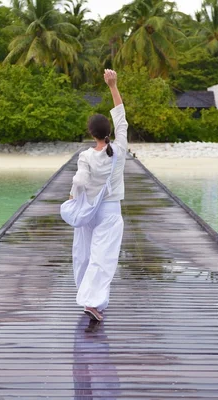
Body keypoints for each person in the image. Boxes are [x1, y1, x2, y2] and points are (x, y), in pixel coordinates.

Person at [69, 69, 128, 322]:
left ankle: (91, 299)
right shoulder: (120, 149)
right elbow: (121, 119)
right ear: (108, 132)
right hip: (110, 212)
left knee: (83, 254)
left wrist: (73, 197)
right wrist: (113, 86)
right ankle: (92, 301)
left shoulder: (86, 155)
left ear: (91, 133)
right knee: (103, 258)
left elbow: (80, 181)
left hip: (89, 210)